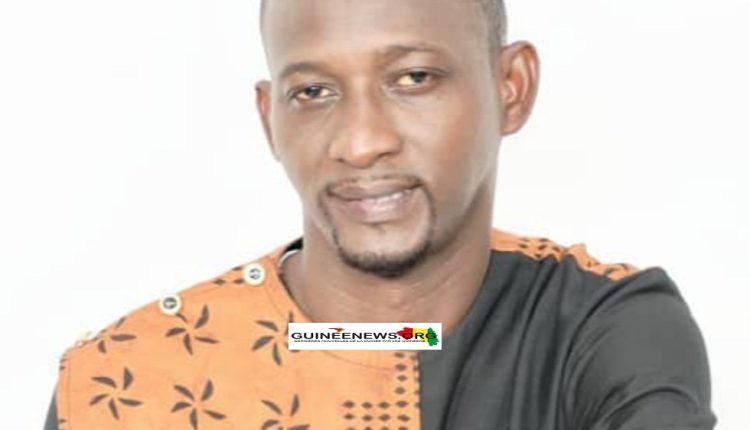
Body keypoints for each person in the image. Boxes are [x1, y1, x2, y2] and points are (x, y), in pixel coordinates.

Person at [45, 1, 716, 429]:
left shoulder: (599, 327)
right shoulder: (128, 380)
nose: (361, 141)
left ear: (511, 87)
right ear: (270, 119)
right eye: (313, 91)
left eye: (414, 78)